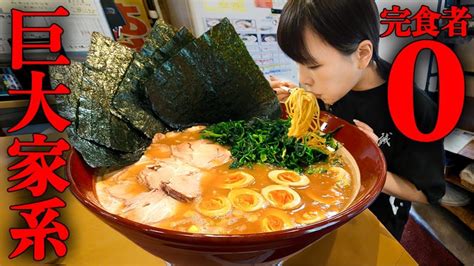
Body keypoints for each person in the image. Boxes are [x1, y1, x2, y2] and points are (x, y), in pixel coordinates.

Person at [271, 0, 446, 240]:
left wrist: (371, 160)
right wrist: (285, 99)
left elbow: (426, 193)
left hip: (376, 223)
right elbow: (314, 130)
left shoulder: (415, 108)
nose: (304, 79)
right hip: (323, 207)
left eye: (312, 65)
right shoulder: (334, 84)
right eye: (298, 62)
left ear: (362, 54)